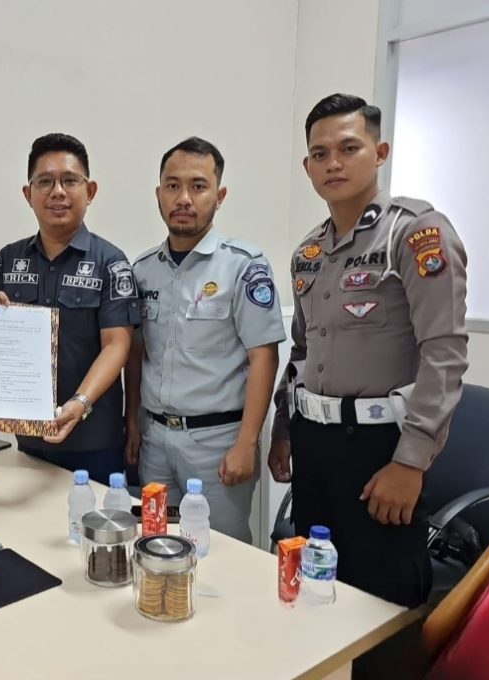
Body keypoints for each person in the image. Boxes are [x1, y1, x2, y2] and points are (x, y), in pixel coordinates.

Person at [268, 93, 469, 610]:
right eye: (320, 154)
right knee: (313, 583)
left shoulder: (415, 233)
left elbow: (444, 354)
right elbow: (301, 351)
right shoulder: (309, 253)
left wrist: (411, 462)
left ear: (379, 153)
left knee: (379, 596)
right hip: (315, 444)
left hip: (381, 449)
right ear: (307, 167)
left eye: (348, 148)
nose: (333, 163)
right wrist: (283, 430)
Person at [123, 137, 285, 543]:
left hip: (218, 444)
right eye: (173, 186)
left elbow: (264, 357)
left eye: (198, 186)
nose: (184, 198)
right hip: (155, 440)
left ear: (219, 195)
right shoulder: (142, 270)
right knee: (156, 544)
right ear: (158, 194)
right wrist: (132, 423)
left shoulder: (243, 266)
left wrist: (247, 443)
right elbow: (136, 353)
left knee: (223, 554)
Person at [0, 133, 139, 484]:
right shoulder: (8, 260)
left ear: (90, 191)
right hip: (28, 440)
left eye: (70, 180)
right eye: (45, 182)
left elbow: (117, 345)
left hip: (94, 442)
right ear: (28, 194)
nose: (58, 192)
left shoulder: (111, 263)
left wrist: (80, 402)